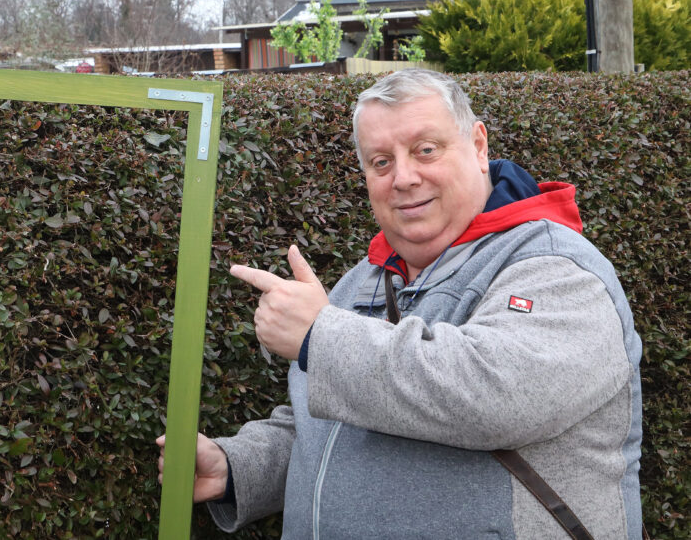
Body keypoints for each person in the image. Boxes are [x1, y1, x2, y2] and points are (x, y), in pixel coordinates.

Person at [156, 69, 643, 538]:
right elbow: (331, 429)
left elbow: (499, 396)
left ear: (477, 146)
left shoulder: (556, 267)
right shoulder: (362, 280)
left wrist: (319, 337)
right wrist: (239, 468)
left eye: (424, 150)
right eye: (380, 161)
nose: (403, 178)